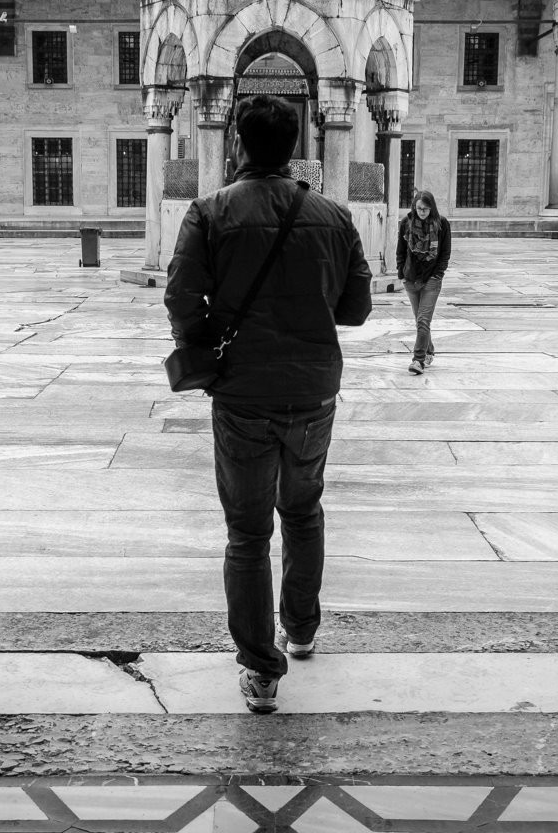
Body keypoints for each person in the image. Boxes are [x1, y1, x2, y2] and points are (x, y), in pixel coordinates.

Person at [165, 94, 372, 714]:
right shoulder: (334, 216)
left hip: (242, 394)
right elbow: (357, 308)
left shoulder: (210, 212)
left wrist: (206, 343)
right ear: (296, 147)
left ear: (237, 141)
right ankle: (301, 630)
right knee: (303, 512)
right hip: (312, 391)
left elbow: (181, 297)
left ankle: (260, 671)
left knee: (248, 533)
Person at [396, 190, 451, 375]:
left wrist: (438, 274)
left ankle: (418, 360)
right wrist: (401, 273)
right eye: (419, 208)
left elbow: (445, 253)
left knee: (423, 320)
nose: (422, 212)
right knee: (420, 321)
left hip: (431, 279)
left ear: (431, 208)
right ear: (414, 207)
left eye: (425, 209)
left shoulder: (441, 224)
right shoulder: (406, 223)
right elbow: (400, 250)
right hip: (411, 278)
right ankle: (429, 350)